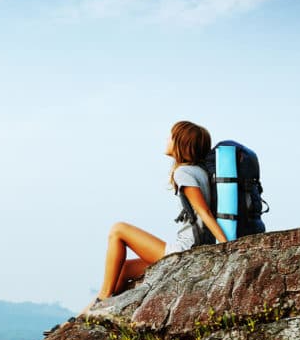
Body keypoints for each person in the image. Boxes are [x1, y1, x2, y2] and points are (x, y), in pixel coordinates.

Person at [92, 120, 228, 304]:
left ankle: (102, 297)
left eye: (171, 136)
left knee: (118, 229)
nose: (167, 139)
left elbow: (204, 212)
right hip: (194, 249)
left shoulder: (184, 173)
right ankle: (83, 316)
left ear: (182, 143)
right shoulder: (201, 171)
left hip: (184, 252)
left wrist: (227, 246)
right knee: (123, 270)